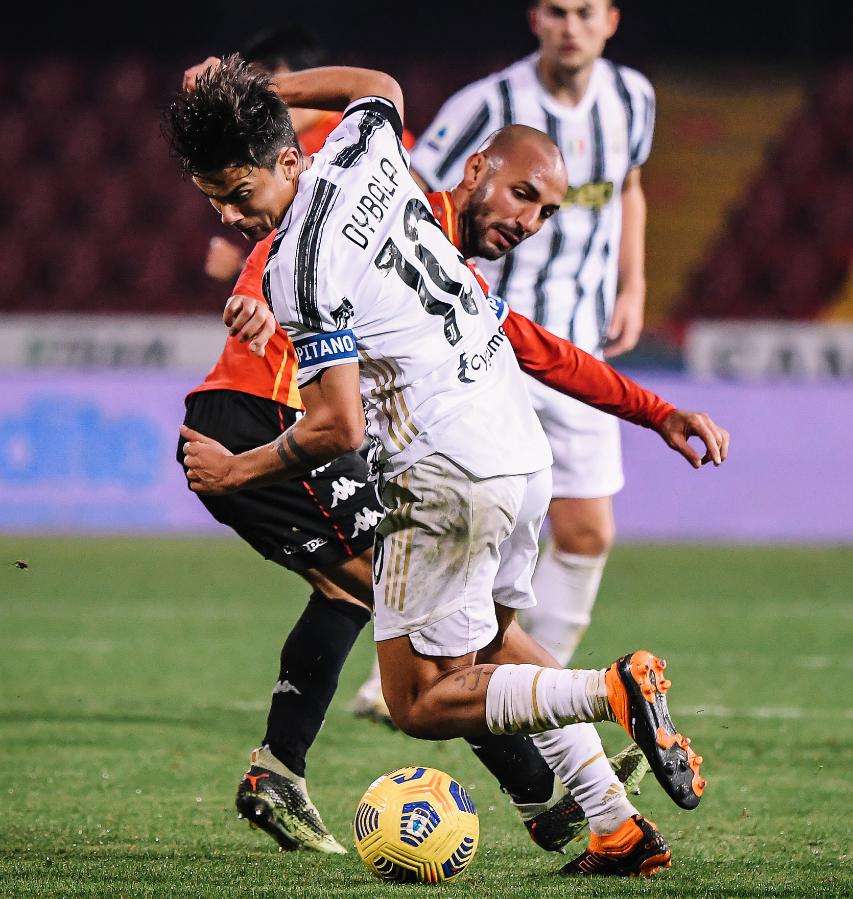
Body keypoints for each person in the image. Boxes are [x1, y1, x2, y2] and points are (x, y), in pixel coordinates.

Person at [167, 58, 727, 876]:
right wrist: (264, 92)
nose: (227, 213)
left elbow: (336, 425)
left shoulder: (300, 268)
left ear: (287, 160)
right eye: (212, 197)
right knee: (495, 640)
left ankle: (610, 690)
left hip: (443, 470)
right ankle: (613, 823)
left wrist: (233, 473)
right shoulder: (369, 154)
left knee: (420, 700)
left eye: (237, 193)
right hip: (518, 452)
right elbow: (380, 87)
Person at [410, 0, 654, 669]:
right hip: (487, 346)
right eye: (557, 12)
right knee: (471, 516)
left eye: (585, 12)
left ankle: (532, 687)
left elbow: (629, 187)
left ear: (610, 20)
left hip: (577, 343)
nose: (570, 27)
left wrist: (633, 285)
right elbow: (413, 191)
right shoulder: (486, 104)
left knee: (586, 532)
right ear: (535, 19)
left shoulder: (633, 99)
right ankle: (413, 666)